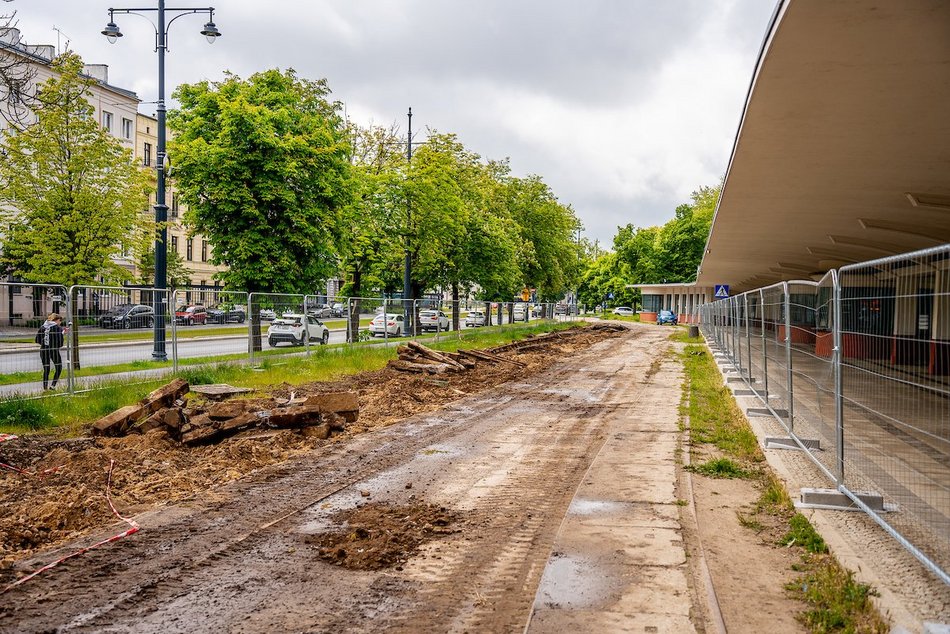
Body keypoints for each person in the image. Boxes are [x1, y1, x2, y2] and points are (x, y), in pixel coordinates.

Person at [37, 312, 67, 390]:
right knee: (59, 367)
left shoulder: (43, 327)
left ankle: (45, 387)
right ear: (56, 320)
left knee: (46, 369)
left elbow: (37, 339)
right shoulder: (57, 328)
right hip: (54, 351)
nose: (60, 323)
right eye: (60, 321)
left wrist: (45, 343)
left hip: (43, 350)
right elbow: (60, 342)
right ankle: (53, 385)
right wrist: (61, 334)